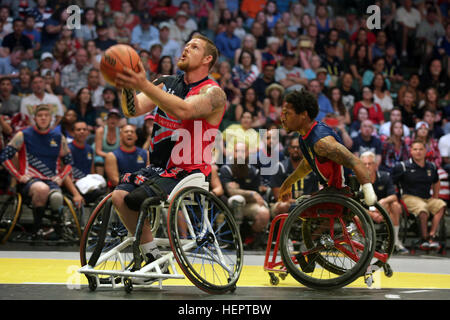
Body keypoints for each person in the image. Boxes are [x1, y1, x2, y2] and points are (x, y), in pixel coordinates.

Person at [111, 34, 226, 266]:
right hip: (158, 168)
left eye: (194, 47)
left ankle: (149, 255)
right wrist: (126, 86)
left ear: (207, 59)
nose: (185, 50)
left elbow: (184, 111)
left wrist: (142, 83)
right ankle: (153, 256)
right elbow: (133, 110)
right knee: (119, 195)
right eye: (185, 46)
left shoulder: (213, 93)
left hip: (189, 171)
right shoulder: (166, 82)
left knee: (136, 199)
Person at [278, 89, 377, 208]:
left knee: (295, 208)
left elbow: (355, 161)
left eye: (287, 113)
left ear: (304, 115)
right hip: (329, 191)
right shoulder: (305, 136)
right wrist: (288, 183)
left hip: (341, 192)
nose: (283, 119)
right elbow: (308, 164)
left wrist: (368, 192)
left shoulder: (322, 142)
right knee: (300, 208)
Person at [0, 104, 80, 239]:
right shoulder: (23, 135)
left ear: (51, 119)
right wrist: (18, 176)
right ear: (34, 118)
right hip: (30, 181)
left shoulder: (58, 137)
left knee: (57, 198)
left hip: (51, 180)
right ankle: (36, 229)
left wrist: (61, 177)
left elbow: (69, 163)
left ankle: (55, 229)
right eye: (40, 116)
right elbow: (4, 157)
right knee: (41, 189)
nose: (43, 118)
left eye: (46, 116)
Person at [392, 140, 446, 250]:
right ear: (411, 151)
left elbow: (436, 181)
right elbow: (392, 183)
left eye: (421, 149)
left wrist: (435, 196)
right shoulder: (402, 166)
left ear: (425, 151)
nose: (418, 152)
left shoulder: (431, 166)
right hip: (409, 197)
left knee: (441, 204)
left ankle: (432, 235)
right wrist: (395, 199)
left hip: (427, 198)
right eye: (415, 149)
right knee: (423, 209)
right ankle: (424, 239)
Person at [219, 141, 270, 249]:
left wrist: (242, 191)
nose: (240, 154)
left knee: (264, 213)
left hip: (248, 205)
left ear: (248, 153)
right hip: (229, 206)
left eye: (243, 151)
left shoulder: (254, 171)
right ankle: (235, 237)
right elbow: (231, 192)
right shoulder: (226, 169)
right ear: (233, 153)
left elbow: (257, 198)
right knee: (238, 199)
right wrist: (251, 193)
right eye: (237, 151)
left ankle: (249, 237)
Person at [360, 151, 408, 254]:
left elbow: (394, 196)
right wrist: (372, 214)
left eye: (370, 163)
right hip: (364, 212)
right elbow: (354, 205)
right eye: (364, 164)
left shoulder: (384, 176)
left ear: (375, 165)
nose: (367, 166)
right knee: (355, 215)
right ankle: (360, 243)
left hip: (383, 211)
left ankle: (394, 241)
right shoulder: (357, 179)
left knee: (395, 205)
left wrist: (383, 201)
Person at [270, 135, 319, 216]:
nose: (296, 150)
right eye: (293, 147)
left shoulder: (311, 169)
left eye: (299, 148)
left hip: (307, 205)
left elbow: (314, 194)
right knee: (282, 206)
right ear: (289, 149)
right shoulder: (280, 167)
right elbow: (279, 198)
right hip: (286, 204)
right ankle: (282, 229)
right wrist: (300, 202)